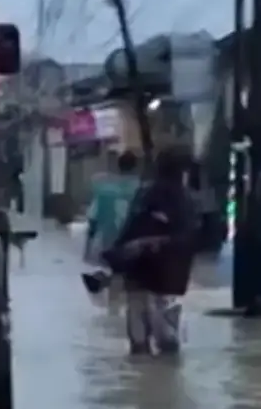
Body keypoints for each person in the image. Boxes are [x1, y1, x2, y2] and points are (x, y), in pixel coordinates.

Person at [104, 146, 198, 355]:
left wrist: (121, 253)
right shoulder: (183, 200)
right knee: (167, 342)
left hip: (142, 273)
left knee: (140, 339)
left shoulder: (147, 194)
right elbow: (190, 238)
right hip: (167, 278)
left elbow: (130, 229)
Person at [83, 150, 141, 311]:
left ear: (118, 166)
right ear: (137, 167)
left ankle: (112, 312)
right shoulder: (142, 190)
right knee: (132, 281)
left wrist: (88, 248)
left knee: (116, 275)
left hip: (108, 242)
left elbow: (93, 218)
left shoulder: (104, 190)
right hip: (135, 243)